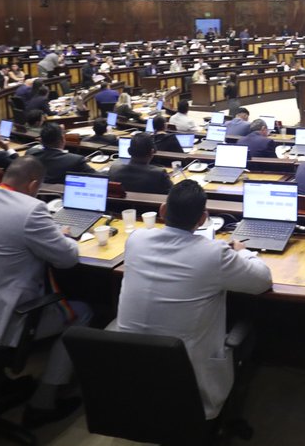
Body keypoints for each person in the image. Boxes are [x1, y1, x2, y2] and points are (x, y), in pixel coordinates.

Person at [0, 157, 89, 427]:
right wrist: (64, 235)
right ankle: (43, 401)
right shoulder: (32, 210)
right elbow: (68, 259)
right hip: (4, 323)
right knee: (83, 314)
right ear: (33, 184)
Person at [112, 179, 271, 420]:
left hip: (131, 372)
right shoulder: (214, 253)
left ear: (163, 210)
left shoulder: (135, 239)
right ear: (203, 218)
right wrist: (243, 251)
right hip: (189, 382)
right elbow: (262, 281)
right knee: (247, 328)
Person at [108, 133, 172, 195]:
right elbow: (173, 195)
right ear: (152, 152)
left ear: (129, 151)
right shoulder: (159, 174)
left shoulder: (113, 170)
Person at [29, 123, 93, 183]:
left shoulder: (31, 154)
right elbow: (98, 177)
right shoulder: (75, 160)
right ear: (63, 139)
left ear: (41, 141)